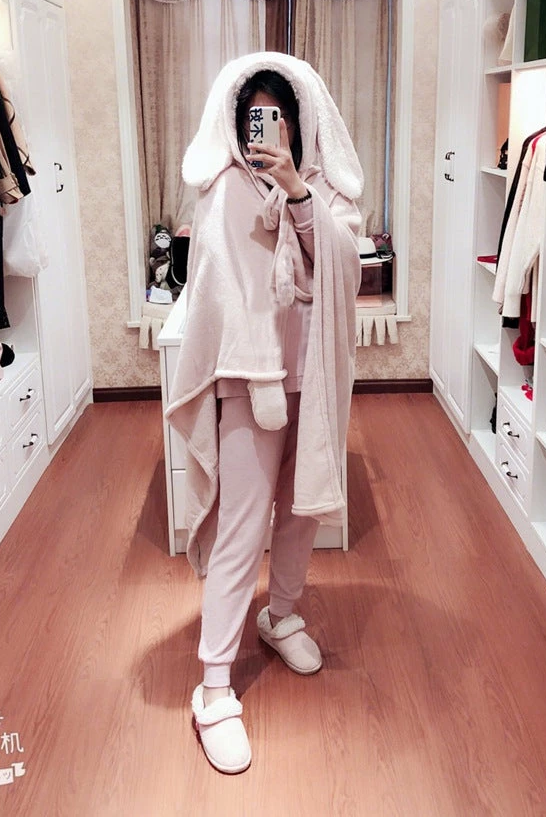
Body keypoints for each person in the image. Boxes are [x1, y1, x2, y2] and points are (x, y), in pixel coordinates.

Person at [165, 51, 363, 774]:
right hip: (251, 381)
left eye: (278, 117)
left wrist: (296, 191)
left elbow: (344, 266)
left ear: (300, 123)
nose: (266, 129)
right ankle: (214, 685)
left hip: (314, 372)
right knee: (243, 525)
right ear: (236, 122)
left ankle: (280, 615)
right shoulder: (222, 190)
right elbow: (216, 288)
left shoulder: (324, 188)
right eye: (255, 117)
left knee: (302, 509)